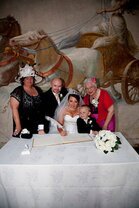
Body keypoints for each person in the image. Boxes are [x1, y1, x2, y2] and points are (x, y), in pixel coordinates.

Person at [10, 64, 49, 137]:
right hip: (23, 124)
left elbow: (42, 109)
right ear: (23, 80)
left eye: (31, 78)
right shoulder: (18, 91)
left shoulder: (38, 90)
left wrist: (41, 126)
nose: (30, 80)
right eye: (27, 78)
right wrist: (18, 126)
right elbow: (14, 109)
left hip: (38, 124)